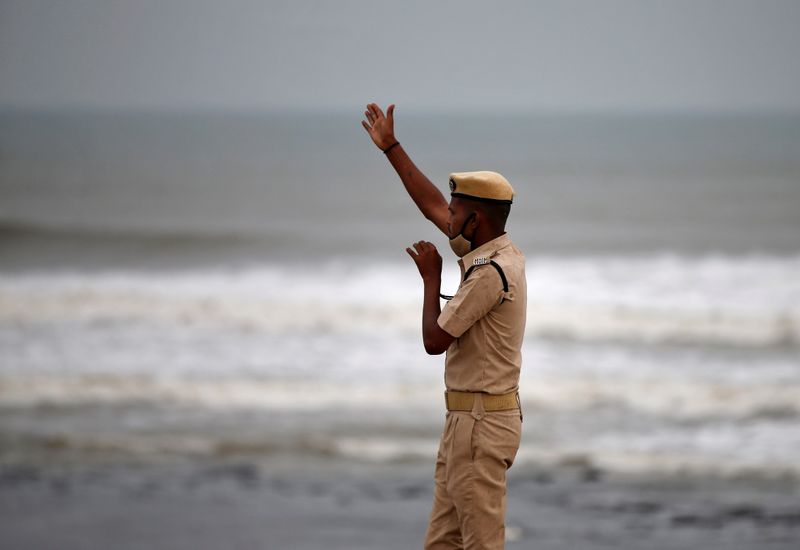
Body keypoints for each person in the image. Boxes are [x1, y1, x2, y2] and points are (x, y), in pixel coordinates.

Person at [362, 103, 527, 550]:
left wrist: (431, 278)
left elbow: (434, 340)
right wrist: (391, 148)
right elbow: (432, 203)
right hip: (464, 420)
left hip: (480, 425)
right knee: (441, 544)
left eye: (457, 212)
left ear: (477, 220)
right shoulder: (489, 249)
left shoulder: (490, 274)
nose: (447, 218)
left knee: (480, 544)